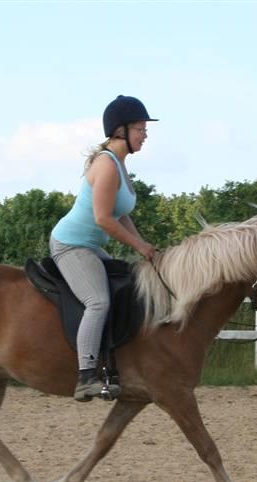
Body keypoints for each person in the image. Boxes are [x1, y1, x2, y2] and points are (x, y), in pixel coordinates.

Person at [49, 95, 158, 402]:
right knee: (98, 302)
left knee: (124, 289)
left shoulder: (120, 166)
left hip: (90, 246)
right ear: (121, 130)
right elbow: (103, 219)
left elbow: (122, 213)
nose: (145, 135)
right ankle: (85, 377)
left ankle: (112, 368)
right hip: (71, 244)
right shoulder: (107, 166)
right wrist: (138, 244)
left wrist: (144, 248)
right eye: (140, 128)